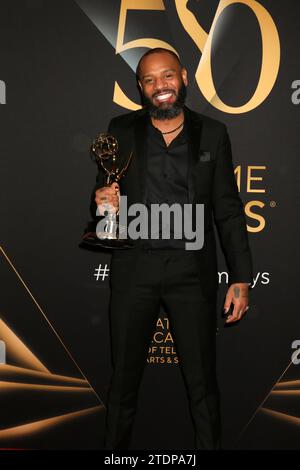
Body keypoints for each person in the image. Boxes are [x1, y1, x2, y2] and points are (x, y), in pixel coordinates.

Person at [89, 48, 253, 450]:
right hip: (134, 270)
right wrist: (102, 206)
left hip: (190, 274)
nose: (159, 86)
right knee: (122, 385)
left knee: (202, 386)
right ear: (140, 87)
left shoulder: (212, 133)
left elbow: (228, 210)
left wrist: (241, 277)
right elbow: (104, 212)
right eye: (149, 79)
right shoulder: (120, 130)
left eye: (166, 76)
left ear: (182, 76)